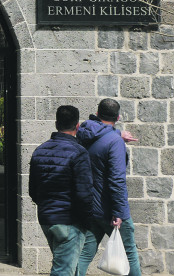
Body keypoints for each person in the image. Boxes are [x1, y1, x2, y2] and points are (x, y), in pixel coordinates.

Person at [77, 98, 142, 276]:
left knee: (84, 255)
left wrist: (117, 134)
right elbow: (116, 180)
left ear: (97, 114)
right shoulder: (115, 142)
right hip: (110, 210)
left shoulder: (84, 134)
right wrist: (119, 212)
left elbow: (100, 136)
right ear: (118, 117)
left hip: (91, 208)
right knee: (130, 255)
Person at [29, 105, 93, 276]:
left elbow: (33, 191)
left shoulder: (39, 151)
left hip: (47, 218)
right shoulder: (79, 153)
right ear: (77, 126)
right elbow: (84, 194)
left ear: (56, 124)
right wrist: (87, 221)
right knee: (63, 270)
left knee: (68, 266)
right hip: (69, 221)